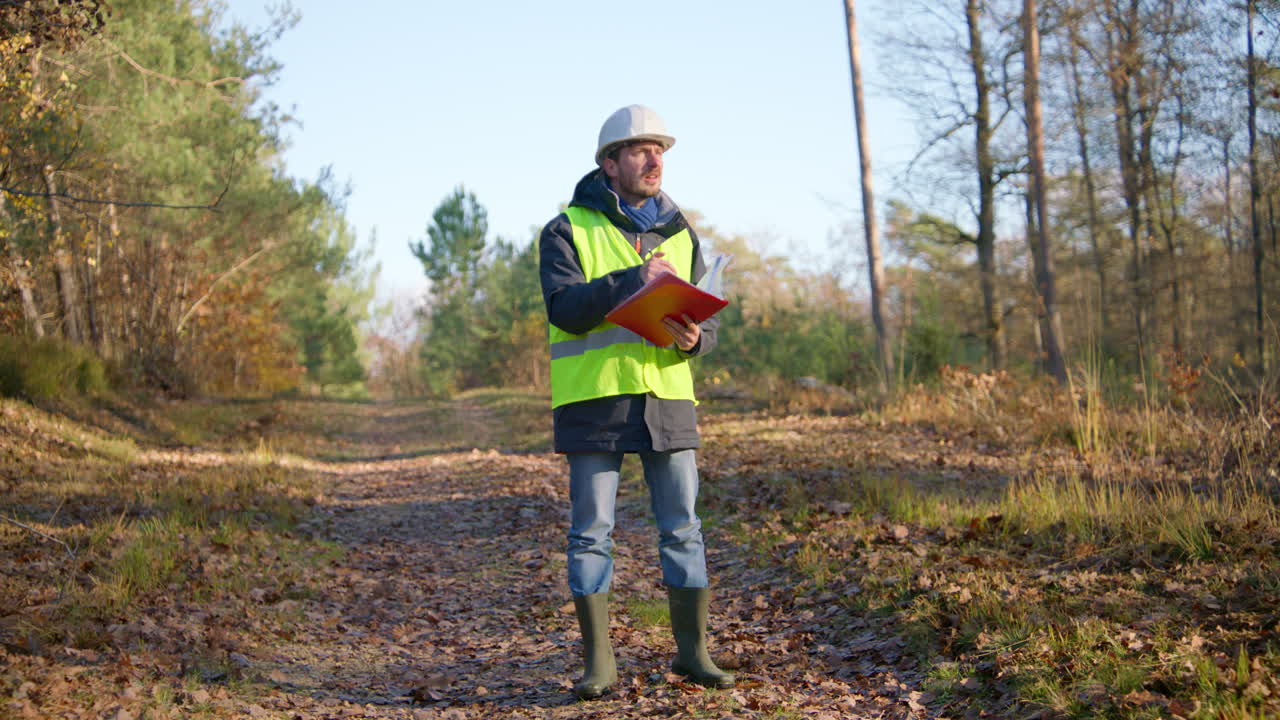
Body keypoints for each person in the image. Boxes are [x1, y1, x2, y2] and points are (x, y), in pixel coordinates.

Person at [538, 104, 734, 700]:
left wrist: (697, 339)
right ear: (609, 162)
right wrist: (633, 280)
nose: (655, 160)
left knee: (684, 529)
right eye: (641, 150)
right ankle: (599, 664)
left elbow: (705, 319)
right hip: (594, 403)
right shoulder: (565, 229)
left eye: (660, 150)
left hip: (667, 401)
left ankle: (693, 654)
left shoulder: (682, 232)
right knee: (591, 534)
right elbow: (565, 310)